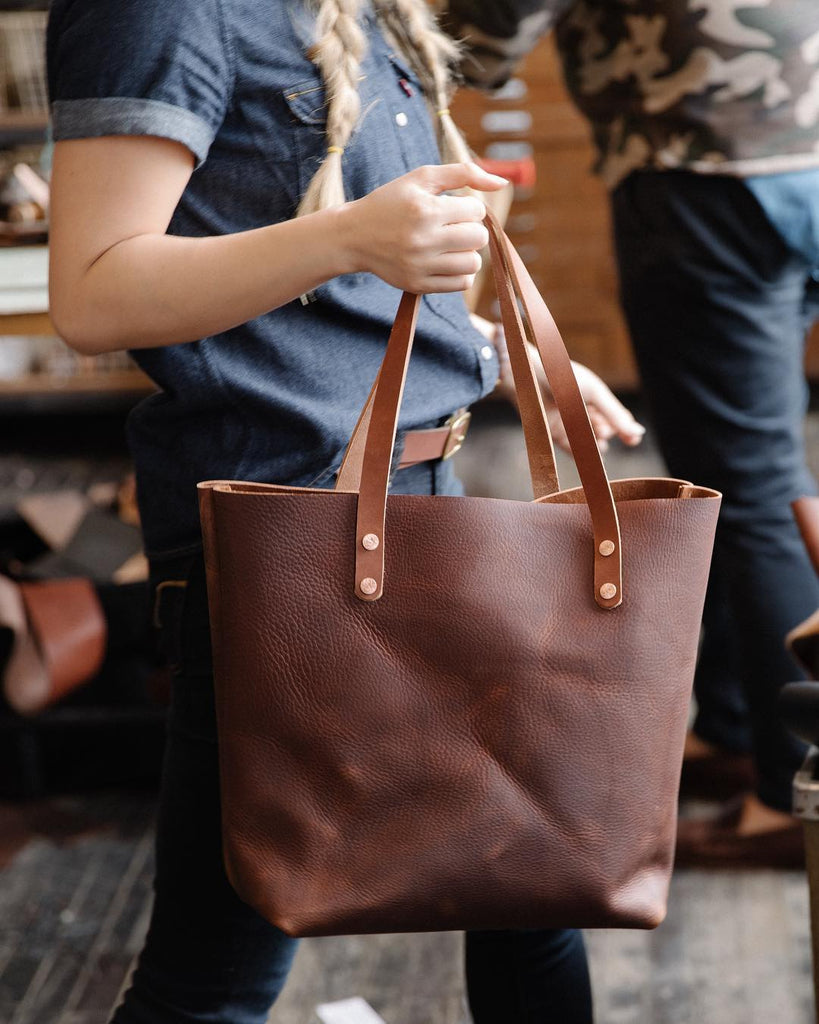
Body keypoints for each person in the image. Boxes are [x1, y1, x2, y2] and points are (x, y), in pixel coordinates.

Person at [46, 1, 645, 1020]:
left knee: (532, 883)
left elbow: (362, 299)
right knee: (222, 968)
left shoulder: (370, 8)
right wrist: (350, 237)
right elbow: (94, 293)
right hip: (283, 539)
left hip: (422, 511)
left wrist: (507, 361)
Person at [444, 0, 819, 866]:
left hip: (706, 163)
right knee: (730, 467)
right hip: (798, 145)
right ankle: (734, 727)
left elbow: (482, 40)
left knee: (748, 484)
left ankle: (788, 786)